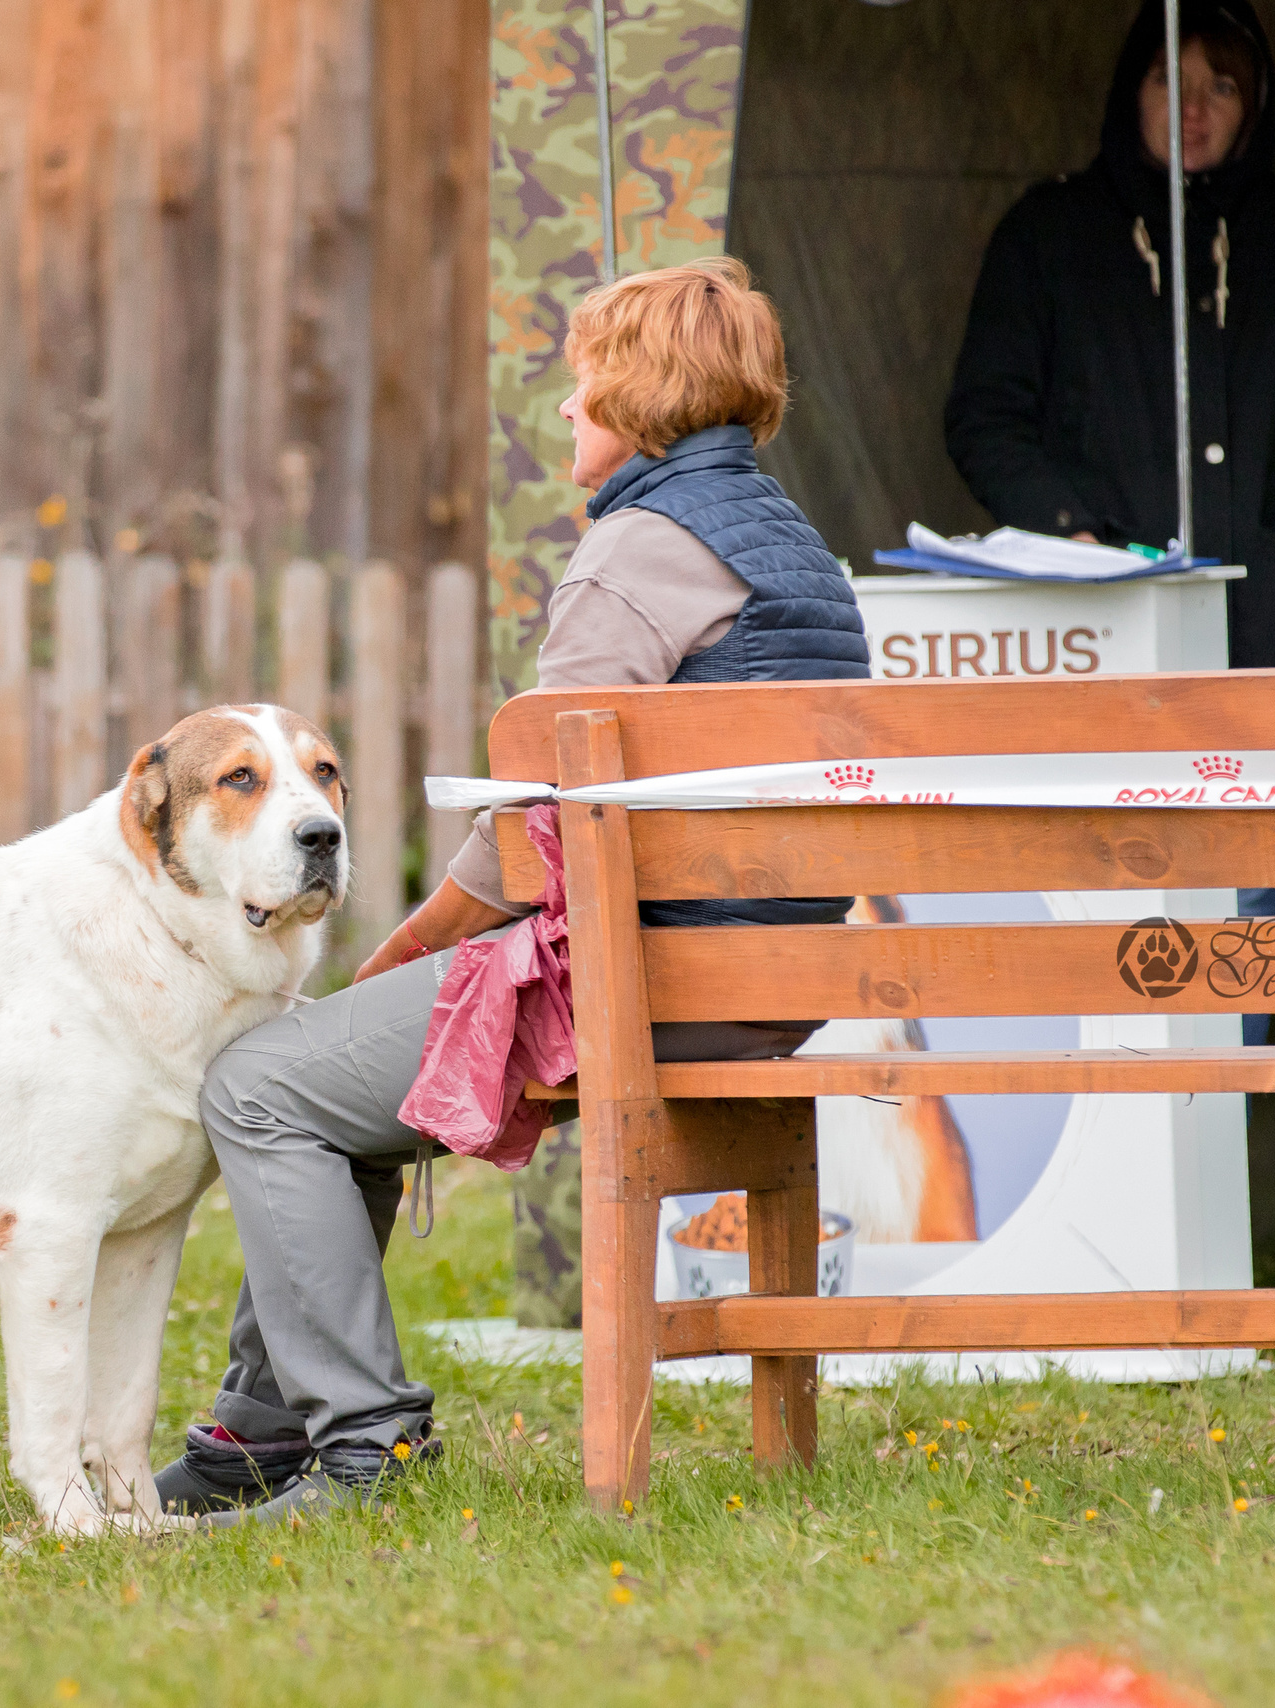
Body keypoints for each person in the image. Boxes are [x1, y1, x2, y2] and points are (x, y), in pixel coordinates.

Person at [155, 258, 870, 1524]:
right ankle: (254, 1437)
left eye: (583, 376)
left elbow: (539, 836)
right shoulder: (801, 554)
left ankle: (362, 1443)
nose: (564, 406)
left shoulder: (632, 557)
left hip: (659, 980)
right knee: (331, 1090)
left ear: (641, 394)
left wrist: (403, 951)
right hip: (776, 981)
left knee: (260, 1084)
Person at [944, 0, 1275, 671]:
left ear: (1254, 105)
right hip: (1096, 624)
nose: (1194, 111)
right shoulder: (1049, 232)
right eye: (1170, 80)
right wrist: (1069, 539)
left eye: (1221, 88)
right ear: (1133, 91)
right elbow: (986, 416)